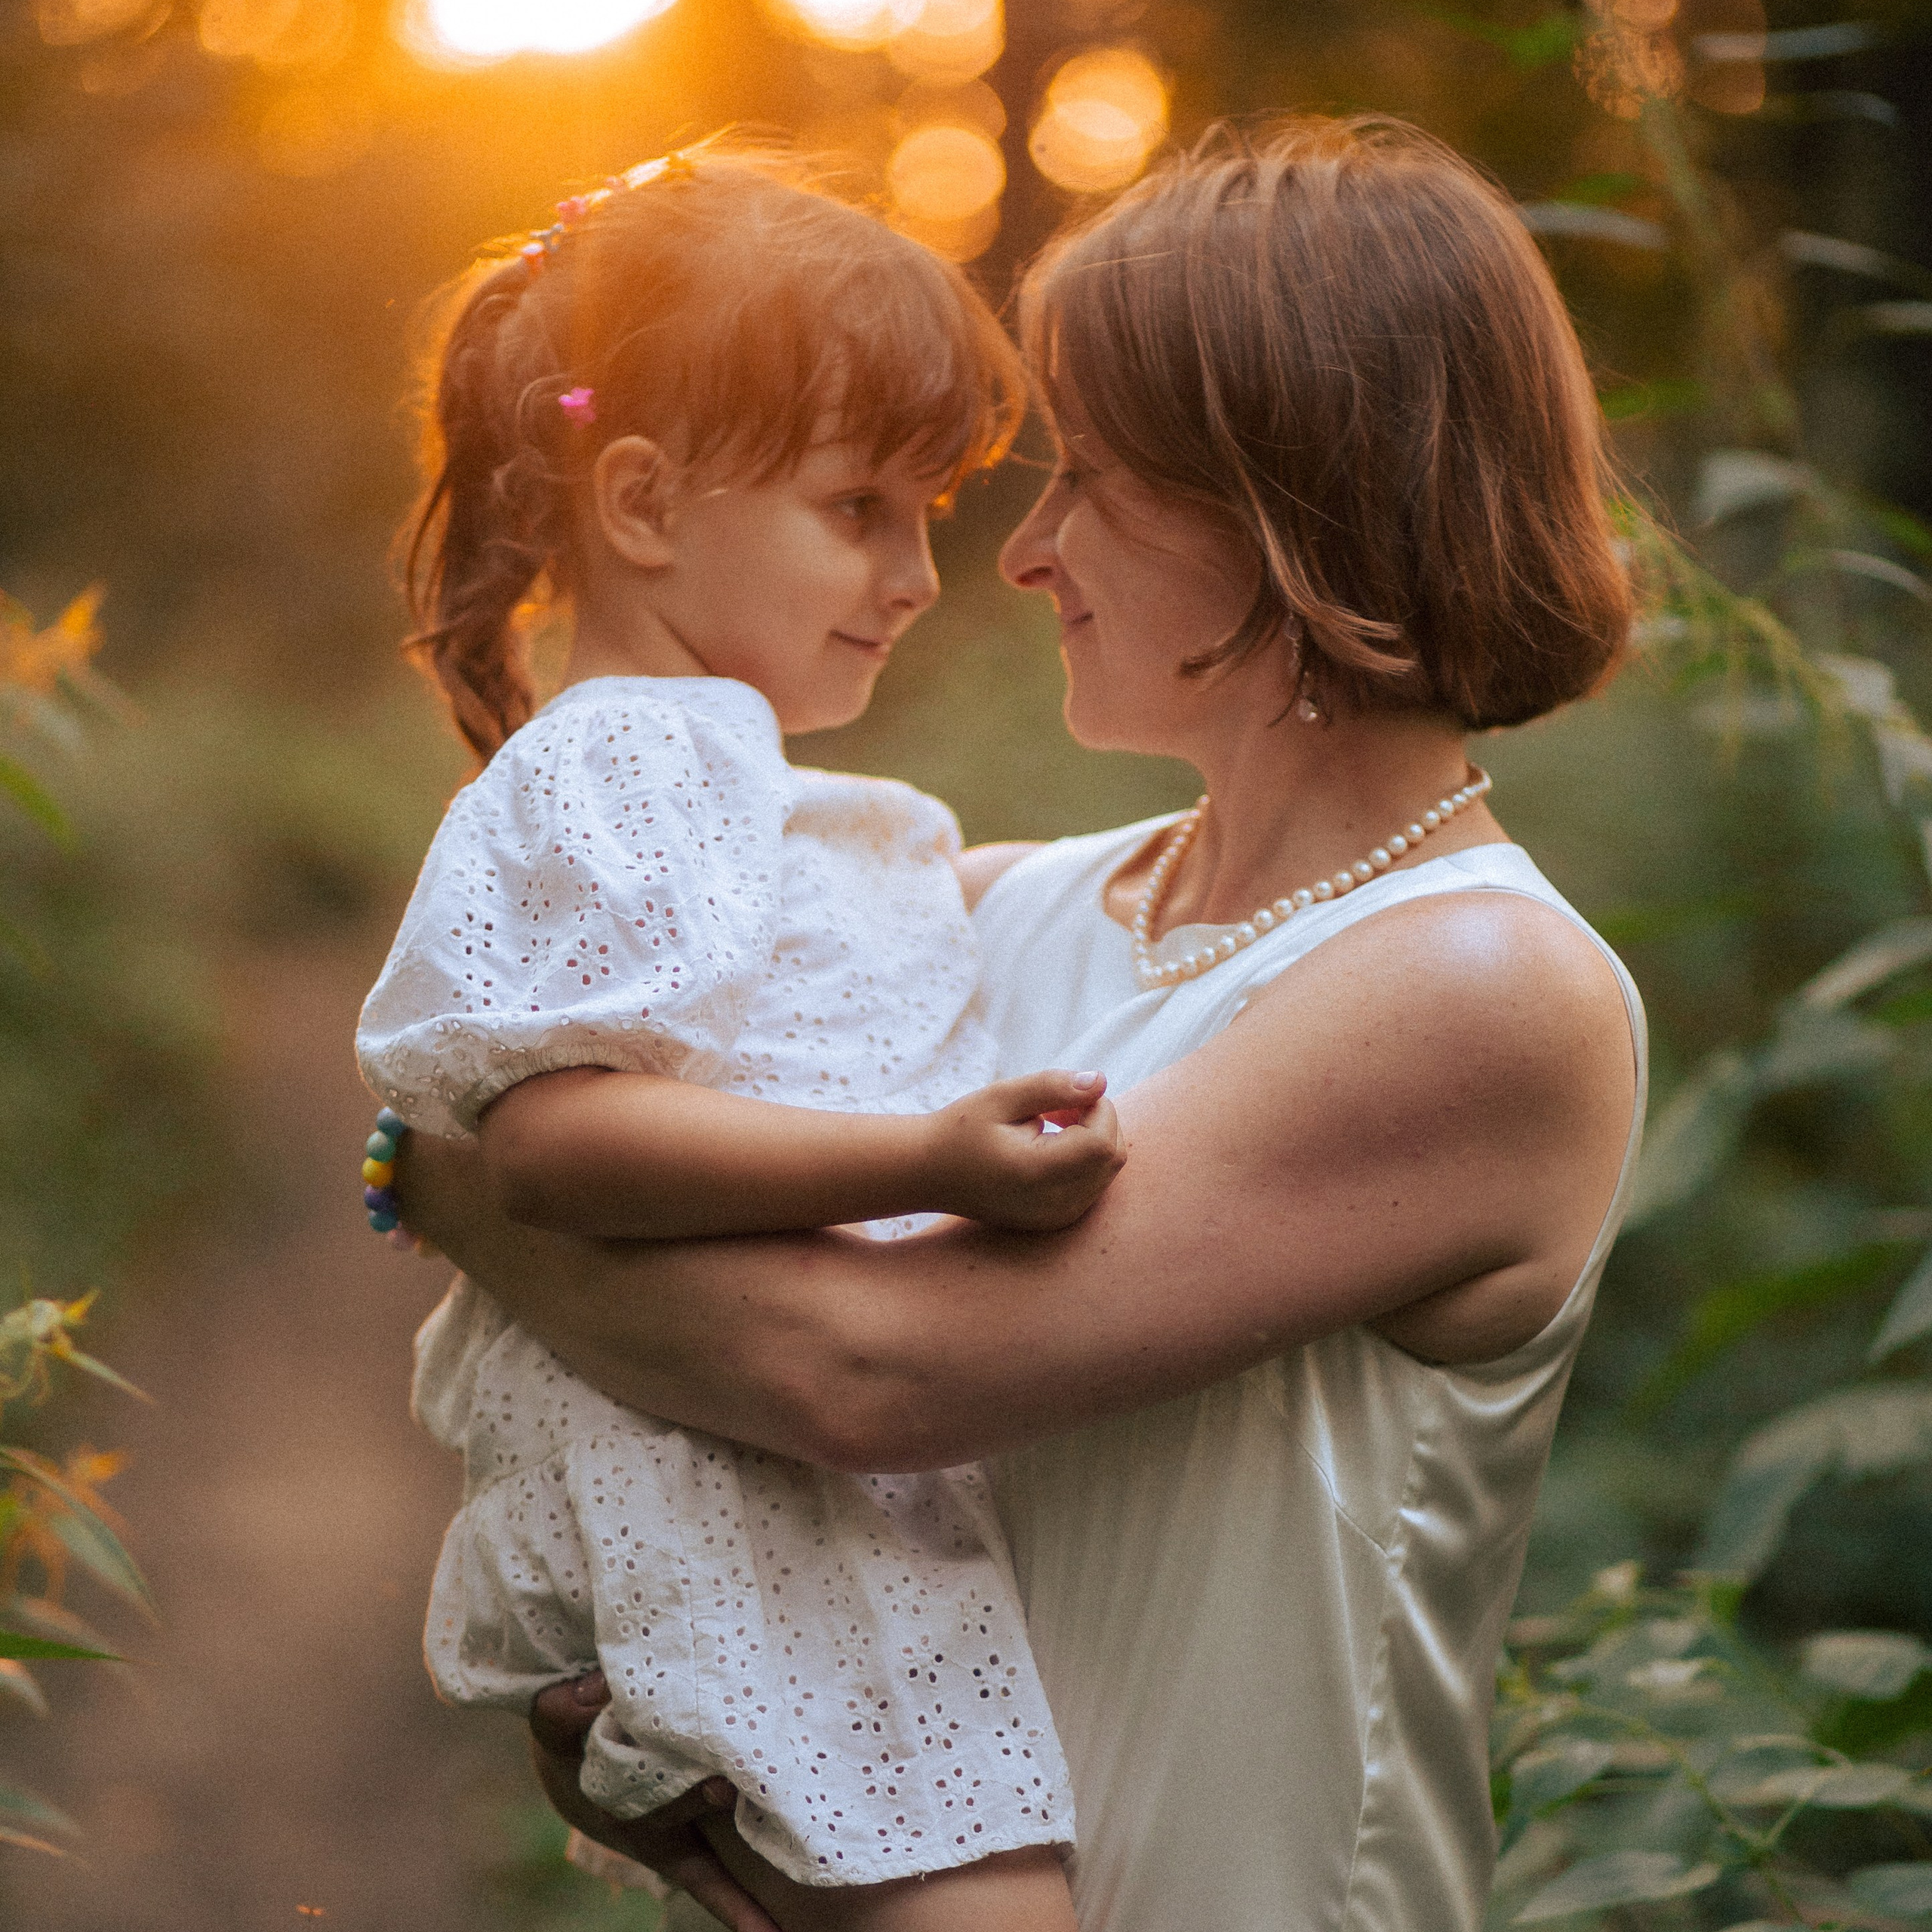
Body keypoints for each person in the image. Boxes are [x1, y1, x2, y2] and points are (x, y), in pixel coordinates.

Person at [392, 116, 1649, 1931]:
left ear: (1293, 505)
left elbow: (859, 1370)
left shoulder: (1475, 990)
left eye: (1091, 480)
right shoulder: (990, 903)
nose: (1019, 553)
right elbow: (582, 1051)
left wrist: (435, 1178)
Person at [358, 146, 1140, 1932]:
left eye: (928, 507)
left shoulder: (713, 776)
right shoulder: (644, 757)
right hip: (752, 1517)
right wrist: (927, 1160)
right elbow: (554, 1145)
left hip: (791, 1509)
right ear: (639, 505)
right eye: (861, 504)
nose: (922, 571)